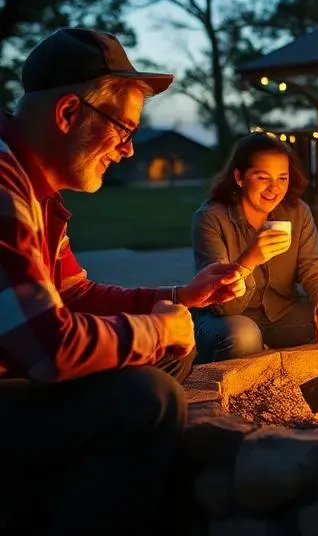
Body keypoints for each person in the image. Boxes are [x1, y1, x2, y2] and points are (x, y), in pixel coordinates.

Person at [0, 28, 246, 536]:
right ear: (68, 113)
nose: (129, 150)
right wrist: (156, 330)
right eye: (122, 128)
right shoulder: (4, 187)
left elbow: (76, 295)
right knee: (146, 398)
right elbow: (49, 348)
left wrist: (180, 299)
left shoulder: (34, 189)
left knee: (177, 346)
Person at [192, 132, 318, 362]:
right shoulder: (211, 218)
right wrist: (248, 260)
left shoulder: (297, 213)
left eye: (282, 178)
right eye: (263, 177)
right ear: (239, 177)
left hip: (281, 315)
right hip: (224, 319)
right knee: (243, 336)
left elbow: (316, 269)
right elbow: (223, 307)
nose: (274, 188)